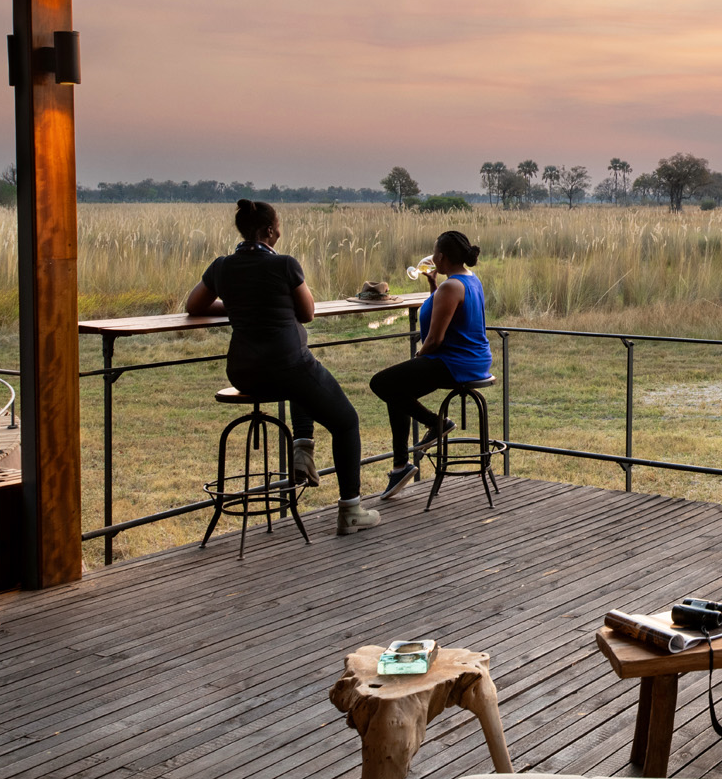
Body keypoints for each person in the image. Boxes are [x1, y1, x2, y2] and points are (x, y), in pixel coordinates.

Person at [183, 200, 378, 535]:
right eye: (279, 226)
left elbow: (194, 305)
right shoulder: (285, 265)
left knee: (302, 382)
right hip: (288, 367)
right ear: (271, 231)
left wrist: (239, 306)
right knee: (346, 421)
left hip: (244, 372)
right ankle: (350, 509)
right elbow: (307, 313)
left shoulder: (222, 266)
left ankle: (303, 449)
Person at [370, 230, 492, 498]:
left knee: (380, 383)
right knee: (397, 390)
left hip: (454, 362)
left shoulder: (452, 286)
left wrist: (419, 356)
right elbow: (445, 308)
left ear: (440, 256)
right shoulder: (468, 280)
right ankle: (400, 467)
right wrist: (432, 284)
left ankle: (436, 424)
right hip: (473, 359)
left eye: (434, 251)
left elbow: (435, 339)